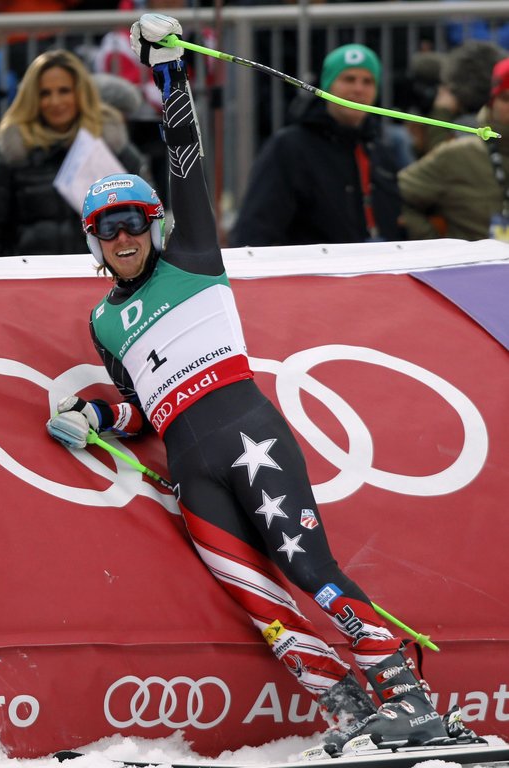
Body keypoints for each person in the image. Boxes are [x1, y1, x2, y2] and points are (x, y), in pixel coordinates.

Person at [46, 13, 468, 755]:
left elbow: (185, 157)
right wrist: (97, 417)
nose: (124, 237)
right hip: (191, 468)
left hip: (248, 434)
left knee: (307, 568)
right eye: (108, 229)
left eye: (134, 222)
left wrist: (168, 69)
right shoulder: (102, 323)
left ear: (155, 225)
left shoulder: (192, 258)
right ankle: (346, 709)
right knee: (259, 602)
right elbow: (144, 409)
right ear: (93, 244)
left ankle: (409, 699)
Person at [229, 43, 406, 248]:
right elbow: (255, 228)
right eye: (348, 79)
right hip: (312, 266)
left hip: (380, 266)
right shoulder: (291, 147)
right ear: (327, 85)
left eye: (367, 81)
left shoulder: (380, 150)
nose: (358, 89)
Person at [0, 49, 151, 257]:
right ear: (32, 99)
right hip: (29, 274)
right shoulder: (10, 159)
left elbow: (148, 216)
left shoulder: (116, 149)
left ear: (81, 93)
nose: (55, 101)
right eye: (45, 93)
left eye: (64, 91)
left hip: (100, 272)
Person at [398, 57, 509, 242]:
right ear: (491, 102)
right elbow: (396, 195)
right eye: (506, 98)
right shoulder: (460, 154)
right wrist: (438, 246)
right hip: (473, 260)